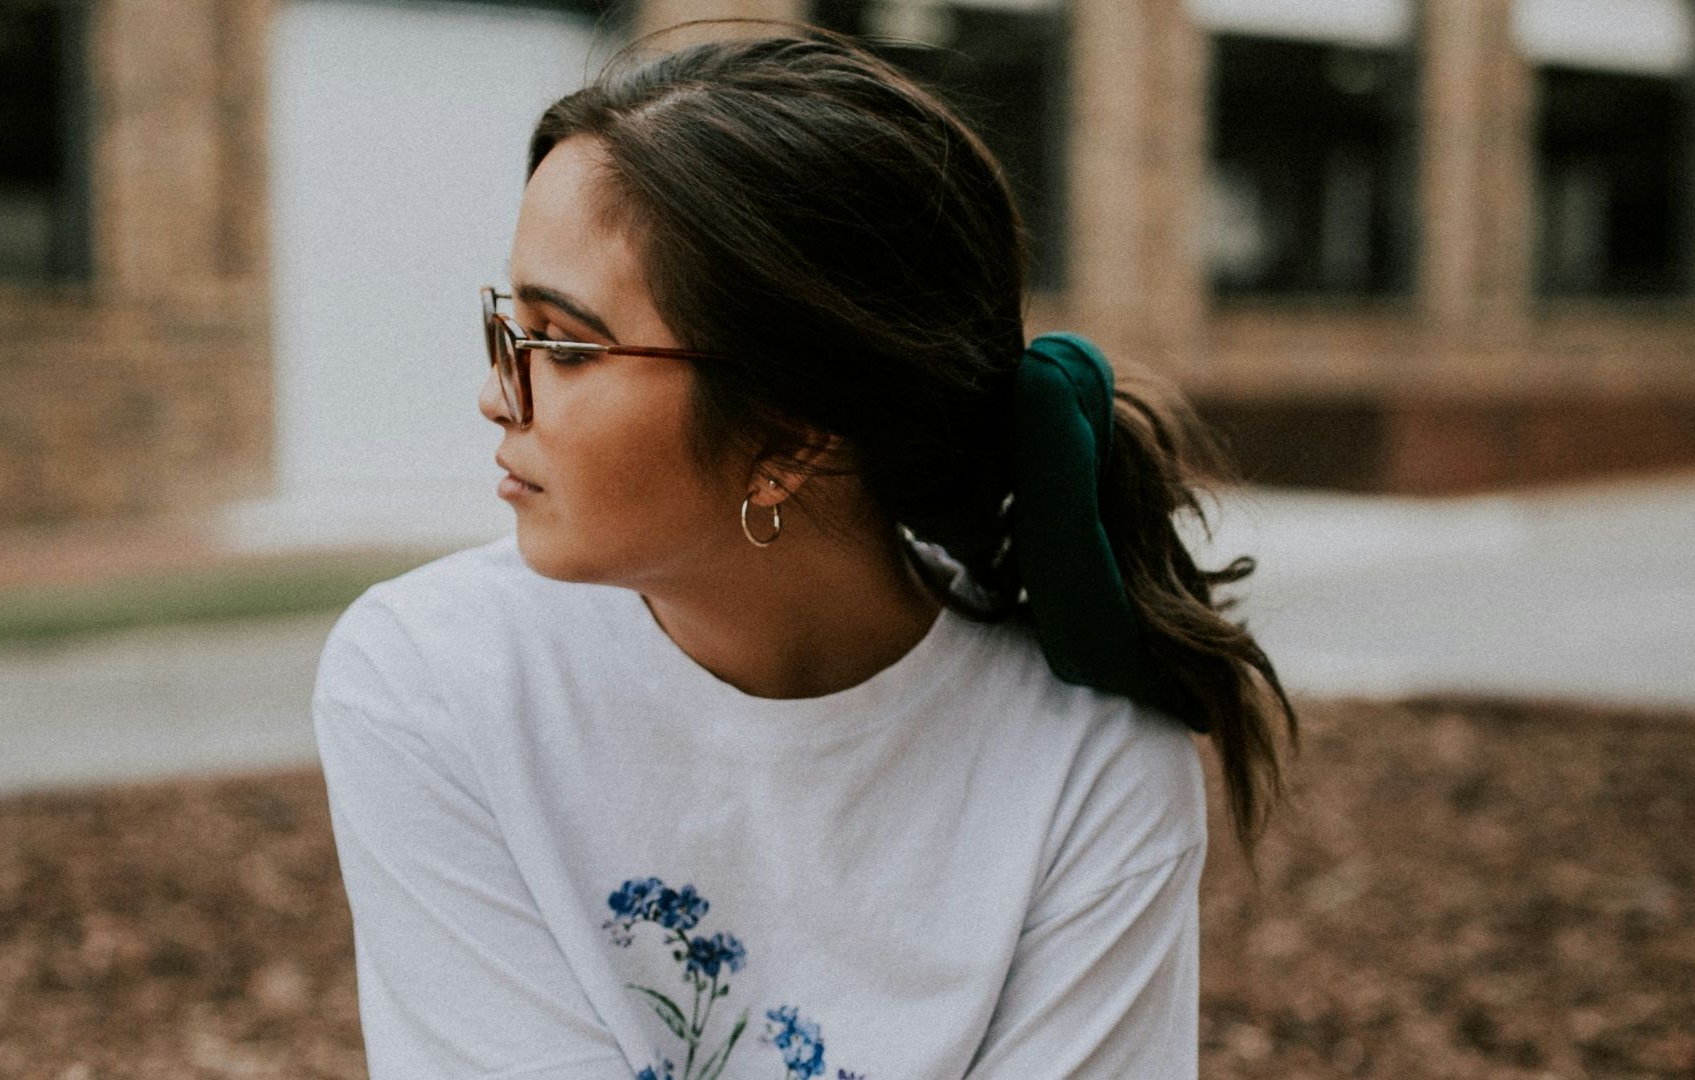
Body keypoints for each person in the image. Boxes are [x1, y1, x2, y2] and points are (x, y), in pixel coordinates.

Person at [312, 22, 1297, 1080]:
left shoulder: (1089, 767)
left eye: (564, 344)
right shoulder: (432, 683)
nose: (498, 392)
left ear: (789, 433)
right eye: (511, 326)